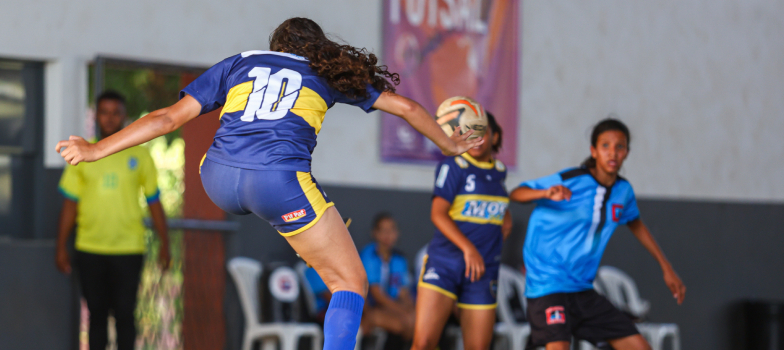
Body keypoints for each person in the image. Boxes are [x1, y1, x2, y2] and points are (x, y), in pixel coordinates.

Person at [55, 17, 484, 350]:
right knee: (349, 281)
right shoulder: (327, 74)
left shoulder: (240, 63)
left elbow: (165, 118)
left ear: (275, 48)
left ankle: (309, 223)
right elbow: (407, 107)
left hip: (217, 178)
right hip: (278, 185)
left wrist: (95, 149)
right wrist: (447, 144)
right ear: (319, 49)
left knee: (271, 186)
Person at [509, 118, 686, 350]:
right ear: (593, 151)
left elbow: (635, 224)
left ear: (627, 153)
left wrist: (666, 267)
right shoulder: (572, 179)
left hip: (583, 290)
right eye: (605, 146)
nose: (612, 152)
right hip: (548, 285)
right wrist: (545, 192)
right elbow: (517, 193)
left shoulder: (623, 191)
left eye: (619, 146)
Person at [55, 91, 171, 350]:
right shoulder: (82, 154)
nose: (110, 118)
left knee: (125, 316)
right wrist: (60, 246)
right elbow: (69, 205)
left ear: (124, 116)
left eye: (115, 112)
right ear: (96, 115)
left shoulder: (140, 156)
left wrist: (166, 243)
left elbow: (154, 202)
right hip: (90, 248)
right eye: (104, 112)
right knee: (96, 317)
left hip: (128, 249)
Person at [412, 111, 512, 350]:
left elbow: (504, 218)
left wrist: (491, 245)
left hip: (481, 271)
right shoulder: (454, 165)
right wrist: (469, 248)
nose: (474, 138)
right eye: (469, 132)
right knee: (423, 344)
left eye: (482, 132)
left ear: (495, 137)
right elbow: (437, 214)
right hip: (445, 264)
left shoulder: (499, 172)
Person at [360, 212, 415, 340]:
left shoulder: (399, 259)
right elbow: (377, 294)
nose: (388, 235)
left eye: (392, 230)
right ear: (374, 233)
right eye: (383, 230)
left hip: (390, 308)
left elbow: (403, 292)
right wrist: (403, 312)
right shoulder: (369, 255)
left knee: (416, 321)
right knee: (402, 324)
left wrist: (410, 310)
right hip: (367, 310)